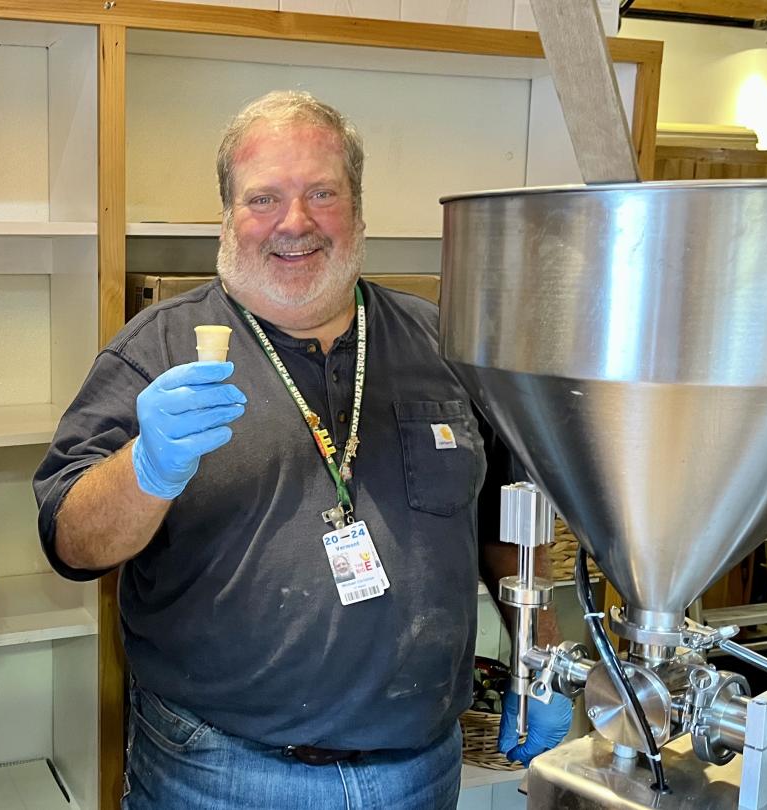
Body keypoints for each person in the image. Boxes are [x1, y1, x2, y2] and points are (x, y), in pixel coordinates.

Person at [33, 91, 570, 809]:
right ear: (227, 218)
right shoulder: (155, 350)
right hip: (216, 774)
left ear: (359, 210)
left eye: (322, 193)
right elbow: (71, 542)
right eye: (264, 199)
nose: (295, 222)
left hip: (417, 769)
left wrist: (539, 660)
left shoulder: (443, 344)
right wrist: (145, 469)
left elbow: (511, 527)